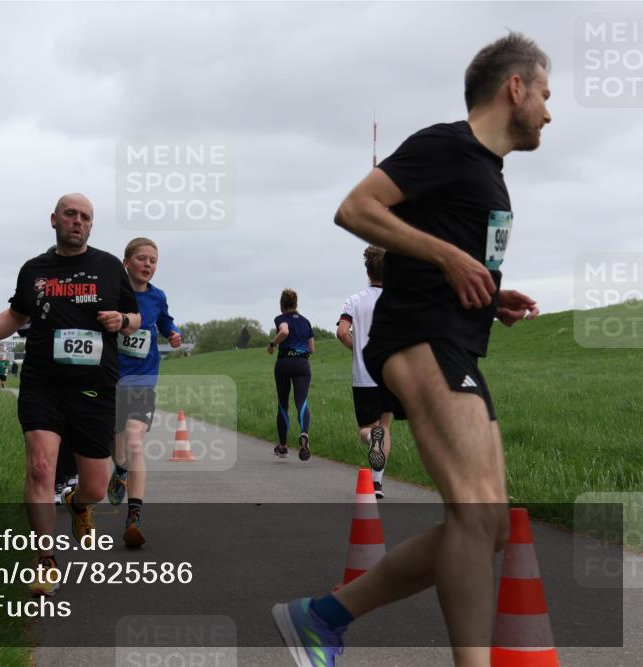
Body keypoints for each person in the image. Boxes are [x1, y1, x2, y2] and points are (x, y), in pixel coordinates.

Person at [273, 33, 547, 667]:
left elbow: (446, 252)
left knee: (491, 524)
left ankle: (323, 617)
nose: (549, 111)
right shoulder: (447, 144)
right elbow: (355, 208)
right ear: (515, 88)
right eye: (545, 93)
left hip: (453, 337)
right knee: (479, 518)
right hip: (421, 337)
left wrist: (488, 292)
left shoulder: (486, 172)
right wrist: (450, 257)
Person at [0, 193, 140, 597]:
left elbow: (135, 316)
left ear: (92, 225)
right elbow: (17, 314)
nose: (78, 221)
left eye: (85, 217)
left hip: (93, 387)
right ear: (53, 220)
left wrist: (122, 319)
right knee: (40, 467)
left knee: (97, 485)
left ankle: (77, 503)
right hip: (42, 383)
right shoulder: (34, 270)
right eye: (70, 214)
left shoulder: (108, 266)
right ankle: (46, 559)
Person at [106, 237, 182, 548]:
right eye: (141, 258)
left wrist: (173, 332)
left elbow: (164, 320)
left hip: (143, 380)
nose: (148, 264)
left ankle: (133, 516)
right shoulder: (111, 294)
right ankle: (119, 468)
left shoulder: (157, 296)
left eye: (153, 260)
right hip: (110, 379)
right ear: (126, 262)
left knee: (135, 441)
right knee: (116, 442)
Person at [336, 246, 392, 498]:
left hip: (363, 375)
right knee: (385, 425)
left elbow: (341, 331)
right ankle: (377, 484)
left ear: (367, 270)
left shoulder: (355, 300)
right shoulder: (397, 299)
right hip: (391, 375)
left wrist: (356, 348)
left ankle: (372, 440)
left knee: (367, 429)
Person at [268, 289, 314, 460]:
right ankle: (304, 432)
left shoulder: (281, 319)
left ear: (281, 306)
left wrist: (273, 343)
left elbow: (285, 331)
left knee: (283, 403)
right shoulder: (306, 322)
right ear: (296, 304)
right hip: (302, 364)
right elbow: (312, 349)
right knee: (301, 402)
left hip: (284, 363)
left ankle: (283, 446)